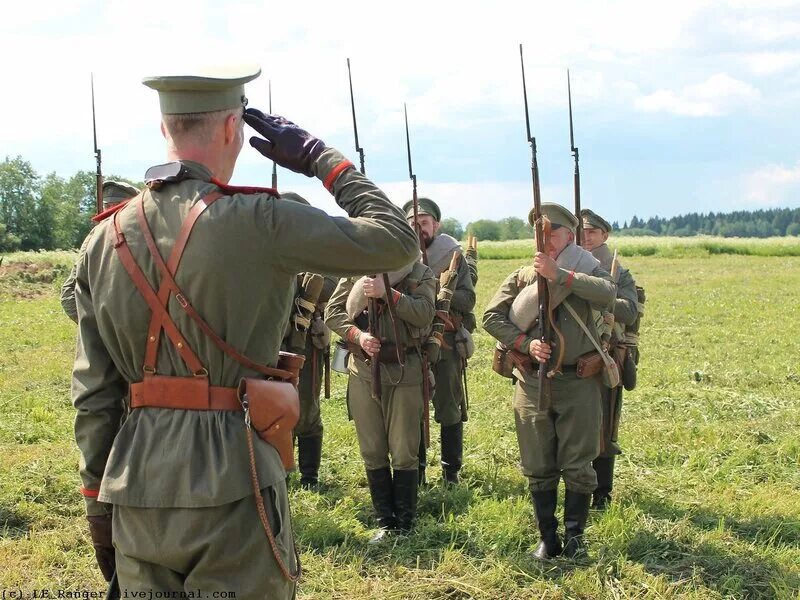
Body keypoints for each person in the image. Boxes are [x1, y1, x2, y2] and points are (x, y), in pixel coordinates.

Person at [72, 65, 419, 598]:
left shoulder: (104, 238)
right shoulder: (260, 219)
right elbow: (396, 240)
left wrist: (99, 505)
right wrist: (320, 159)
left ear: (166, 127)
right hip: (237, 480)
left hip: (135, 485)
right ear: (234, 129)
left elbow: (94, 396)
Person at [483, 202, 615, 559]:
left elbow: (608, 294)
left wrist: (562, 276)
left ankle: (575, 537)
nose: (544, 239)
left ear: (569, 236)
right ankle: (548, 537)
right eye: (539, 233)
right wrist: (525, 343)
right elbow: (490, 317)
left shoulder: (587, 269)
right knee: (537, 463)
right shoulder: (523, 277)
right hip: (532, 383)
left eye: (552, 233)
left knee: (578, 462)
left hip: (578, 383)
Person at [324, 257, 435, 542]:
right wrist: (357, 336)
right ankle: (385, 522)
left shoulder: (420, 273)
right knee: (372, 449)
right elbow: (333, 312)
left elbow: (424, 314)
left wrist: (389, 294)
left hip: (405, 370)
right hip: (363, 369)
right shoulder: (356, 270)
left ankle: (405, 524)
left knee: (404, 450)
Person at [402, 198, 475, 485]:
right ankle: (417, 471)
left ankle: (450, 471)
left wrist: (440, 290)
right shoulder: (401, 255)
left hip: (444, 341)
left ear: (435, 225)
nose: (418, 228)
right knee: (413, 408)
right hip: (411, 342)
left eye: (423, 223)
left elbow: (468, 299)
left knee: (448, 406)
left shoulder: (453, 255)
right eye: (412, 223)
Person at [580, 208, 640, 509]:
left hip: (605, 355)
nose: (586, 236)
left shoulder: (619, 271)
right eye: (581, 231)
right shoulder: (572, 264)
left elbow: (630, 310)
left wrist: (599, 295)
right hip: (573, 354)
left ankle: (601, 493)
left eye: (591, 231)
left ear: (604, 235)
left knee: (604, 426)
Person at [60, 180, 140, 322]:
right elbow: (69, 294)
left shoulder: (145, 239)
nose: (111, 211)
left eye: (116, 206)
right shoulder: (94, 239)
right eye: (107, 206)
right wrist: (98, 329)